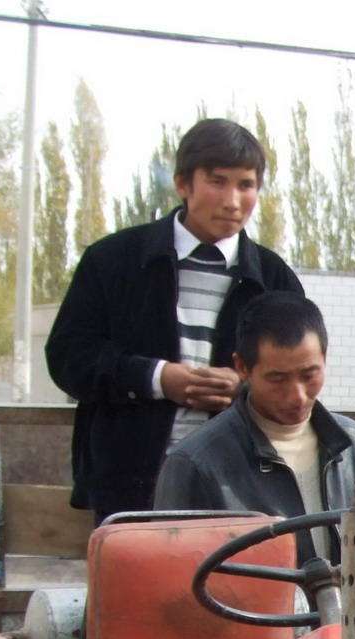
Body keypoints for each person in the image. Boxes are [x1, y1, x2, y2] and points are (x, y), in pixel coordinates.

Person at [47, 118, 303, 522]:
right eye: (218, 182)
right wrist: (156, 378)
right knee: (136, 587)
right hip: (130, 485)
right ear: (183, 184)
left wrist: (245, 386)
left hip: (239, 489)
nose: (233, 200)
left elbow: (299, 375)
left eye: (246, 185)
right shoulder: (113, 261)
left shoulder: (274, 280)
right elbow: (68, 357)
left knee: (232, 587)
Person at [152, 293, 355, 562]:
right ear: (242, 368)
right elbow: (174, 576)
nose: (298, 396)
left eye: (309, 375)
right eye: (277, 379)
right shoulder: (195, 464)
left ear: (325, 358)